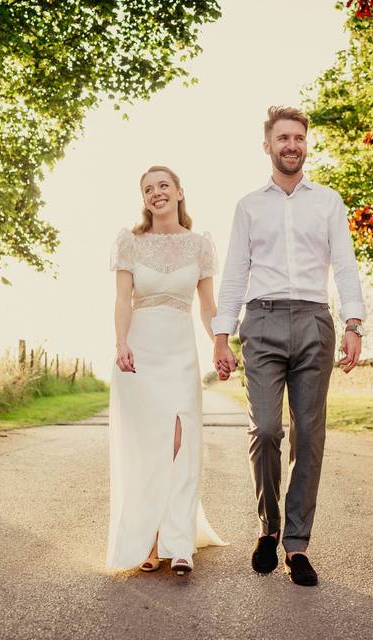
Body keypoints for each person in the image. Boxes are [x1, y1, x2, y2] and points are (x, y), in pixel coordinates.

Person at [212, 106, 366, 586]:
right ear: (268, 146)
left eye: (299, 137)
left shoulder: (328, 201)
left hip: (315, 322)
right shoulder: (249, 206)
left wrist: (354, 321)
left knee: (308, 436)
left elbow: (344, 263)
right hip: (261, 322)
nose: (292, 145)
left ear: (306, 143)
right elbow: (235, 271)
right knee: (266, 431)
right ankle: (268, 528)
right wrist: (221, 333)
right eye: (283, 138)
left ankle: (297, 545)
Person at [107, 165, 226, 575]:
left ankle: (179, 543)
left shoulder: (200, 245)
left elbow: (209, 308)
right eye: (147, 189)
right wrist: (121, 343)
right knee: (148, 445)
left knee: (180, 441)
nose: (156, 192)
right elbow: (123, 300)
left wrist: (220, 343)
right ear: (143, 199)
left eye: (163, 185)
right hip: (139, 353)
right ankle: (148, 541)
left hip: (180, 354)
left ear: (178, 191)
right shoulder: (130, 242)